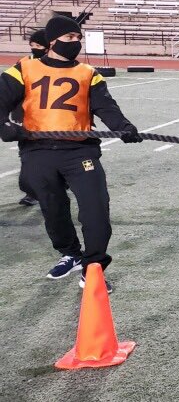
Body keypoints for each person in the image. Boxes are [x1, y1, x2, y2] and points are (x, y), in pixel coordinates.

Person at [0, 16, 143, 293]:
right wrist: (4, 125)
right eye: (69, 38)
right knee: (53, 209)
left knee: (96, 208)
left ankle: (94, 267)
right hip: (38, 150)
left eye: (78, 38)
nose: (75, 43)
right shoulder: (23, 68)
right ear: (52, 41)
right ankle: (71, 253)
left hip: (80, 150)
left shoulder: (88, 73)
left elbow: (106, 107)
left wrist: (124, 127)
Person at [12, 29, 49, 207]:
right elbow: (12, 90)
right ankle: (31, 192)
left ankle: (58, 184)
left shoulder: (60, 64)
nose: (34, 49)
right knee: (28, 157)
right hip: (29, 119)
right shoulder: (23, 63)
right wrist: (16, 110)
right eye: (32, 45)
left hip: (53, 119)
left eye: (38, 45)